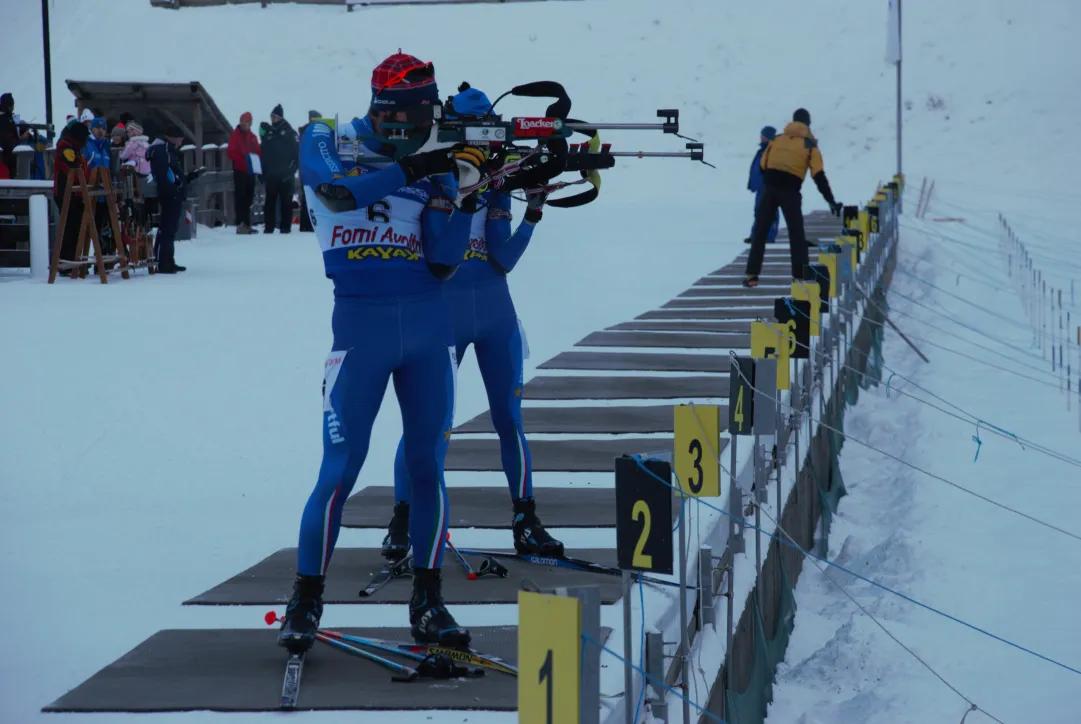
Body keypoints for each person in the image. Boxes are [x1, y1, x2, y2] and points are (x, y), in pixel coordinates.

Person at [278, 52, 481, 654]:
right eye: (415, 120)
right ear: (389, 112)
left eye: (429, 121)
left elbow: (444, 262)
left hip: (427, 330)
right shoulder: (328, 135)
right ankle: (306, 596)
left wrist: (464, 194)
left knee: (427, 467)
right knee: (338, 471)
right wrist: (419, 166)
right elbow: (335, 192)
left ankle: (428, 596)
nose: (424, 130)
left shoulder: (435, 157)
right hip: (360, 332)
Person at [381, 84, 563, 563]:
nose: (485, 146)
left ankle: (526, 518)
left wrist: (534, 211)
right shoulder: (435, 174)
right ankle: (403, 519)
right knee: (429, 426)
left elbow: (502, 259)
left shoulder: (498, 178)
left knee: (509, 419)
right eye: (476, 134)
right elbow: (437, 256)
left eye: (491, 135)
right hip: (443, 313)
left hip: (494, 311)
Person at [743, 108, 842, 287]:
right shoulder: (809, 144)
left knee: (760, 231)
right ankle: (800, 276)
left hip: (770, 186)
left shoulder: (778, 139)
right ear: (807, 124)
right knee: (796, 233)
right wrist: (830, 200)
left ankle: (751, 275)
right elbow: (818, 175)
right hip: (790, 189)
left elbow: (763, 164)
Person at [146, 124, 189, 274]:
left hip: (172, 194)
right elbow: (165, 175)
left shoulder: (167, 151)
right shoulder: (163, 151)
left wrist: (185, 180)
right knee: (167, 228)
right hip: (170, 195)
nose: (181, 143)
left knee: (170, 229)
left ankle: (168, 261)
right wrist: (175, 188)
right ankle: (163, 263)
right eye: (180, 139)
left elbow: (173, 175)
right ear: (173, 138)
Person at [52, 122, 91, 274]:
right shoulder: (66, 148)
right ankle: (67, 263)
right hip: (66, 193)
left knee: (75, 227)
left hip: (75, 193)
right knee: (69, 228)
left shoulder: (74, 148)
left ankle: (74, 260)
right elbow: (72, 168)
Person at [260, 104, 298, 234]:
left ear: (280, 117)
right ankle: (268, 227)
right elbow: (263, 151)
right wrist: (263, 171)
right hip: (271, 174)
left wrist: (291, 170)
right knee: (269, 202)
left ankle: (285, 228)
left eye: (275, 116)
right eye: (272, 116)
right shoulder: (269, 132)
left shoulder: (289, 132)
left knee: (286, 203)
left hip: (286, 174)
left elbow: (296, 153)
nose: (273, 118)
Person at [82, 117, 116, 258]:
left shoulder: (106, 147)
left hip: (104, 195)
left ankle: (103, 259)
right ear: (92, 129)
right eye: (98, 128)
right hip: (91, 195)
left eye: (103, 129)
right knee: (90, 229)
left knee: (104, 228)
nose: (101, 132)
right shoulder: (87, 144)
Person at [226, 111, 261, 234]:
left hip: (251, 172)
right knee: (241, 198)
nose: (244, 124)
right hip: (240, 171)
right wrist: (243, 159)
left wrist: (256, 160)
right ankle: (241, 224)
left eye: (246, 122)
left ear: (250, 123)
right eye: (242, 121)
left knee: (249, 198)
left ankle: (246, 224)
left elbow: (258, 152)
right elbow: (231, 152)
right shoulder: (235, 136)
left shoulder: (253, 137)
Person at [744, 125, 778, 245]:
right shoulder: (761, 151)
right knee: (758, 211)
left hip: (770, 186)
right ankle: (756, 235)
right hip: (760, 187)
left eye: (764, 136)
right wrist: (752, 184)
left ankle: (770, 235)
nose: (761, 138)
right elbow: (755, 169)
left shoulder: (773, 151)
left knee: (770, 211)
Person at [296, 110, 322, 232]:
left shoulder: (305, 132)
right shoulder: (308, 132)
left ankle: (307, 224)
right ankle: (307, 225)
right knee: (309, 196)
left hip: (308, 167)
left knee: (310, 196)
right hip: (308, 167)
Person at [1, 93, 32, 176]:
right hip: (8, 156)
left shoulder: (7, 117)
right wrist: (21, 138)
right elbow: (7, 140)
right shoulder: (3, 119)